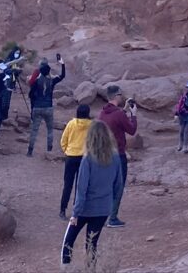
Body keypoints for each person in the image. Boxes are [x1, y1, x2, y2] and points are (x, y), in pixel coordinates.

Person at [61, 119, 123, 266]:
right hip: (103, 209)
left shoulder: (88, 159)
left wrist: (75, 213)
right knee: (92, 245)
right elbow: (118, 185)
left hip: (85, 209)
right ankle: (91, 270)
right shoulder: (115, 158)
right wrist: (109, 202)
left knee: (68, 242)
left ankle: (66, 269)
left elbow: (81, 189)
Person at [98, 84, 137, 227]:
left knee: (107, 185)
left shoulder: (102, 113)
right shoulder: (119, 114)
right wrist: (134, 115)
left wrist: (125, 109)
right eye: (120, 95)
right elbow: (131, 130)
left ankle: (102, 215)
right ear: (116, 96)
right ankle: (112, 218)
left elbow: (115, 117)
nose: (122, 97)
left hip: (104, 153)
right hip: (118, 154)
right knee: (118, 186)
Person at [58, 103, 94, 218]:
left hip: (71, 156)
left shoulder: (71, 123)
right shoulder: (92, 125)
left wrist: (66, 151)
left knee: (67, 184)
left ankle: (62, 210)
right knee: (81, 185)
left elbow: (63, 140)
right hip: (84, 157)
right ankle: (77, 210)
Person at [27, 58, 63, 156]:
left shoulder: (36, 82)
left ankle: (30, 151)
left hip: (37, 107)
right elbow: (62, 76)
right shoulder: (52, 81)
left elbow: (31, 94)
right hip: (48, 107)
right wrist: (62, 64)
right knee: (50, 129)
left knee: (34, 130)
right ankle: (49, 151)